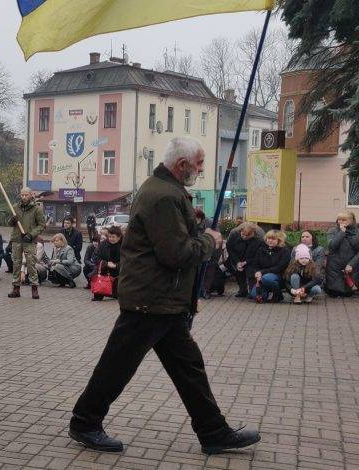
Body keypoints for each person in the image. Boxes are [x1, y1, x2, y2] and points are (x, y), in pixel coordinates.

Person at [69, 138, 259, 455]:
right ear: (181, 164)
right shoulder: (163, 196)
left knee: (188, 369)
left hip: (161, 301)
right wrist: (210, 241)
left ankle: (213, 431)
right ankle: (85, 422)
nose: (201, 168)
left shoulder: (165, 190)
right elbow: (176, 254)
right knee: (117, 365)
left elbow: (171, 236)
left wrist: (192, 222)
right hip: (151, 300)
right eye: (198, 163)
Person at [8, 188, 46, 299]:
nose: (24, 197)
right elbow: (9, 222)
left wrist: (31, 235)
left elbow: (42, 225)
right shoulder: (15, 207)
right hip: (17, 239)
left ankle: (34, 288)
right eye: (22, 195)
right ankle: (16, 288)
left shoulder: (36, 209)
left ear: (30, 195)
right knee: (16, 264)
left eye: (26, 195)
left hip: (29, 240)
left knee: (31, 264)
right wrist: (12, 220)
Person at [249, 230, 291, 303]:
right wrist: (257, 273)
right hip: (262, 277)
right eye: (269, 238)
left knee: (266, 278)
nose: (270, 240)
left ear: (279, 240)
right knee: (254, 295)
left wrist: (262, 272)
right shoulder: (261, 249)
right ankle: (265, 294)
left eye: (273, 239)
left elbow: (279, 267)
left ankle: (278, 295)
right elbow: (254, 264)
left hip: (278, 276)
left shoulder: (285, 251)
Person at [323, 212, 359, 298]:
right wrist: (342, 232)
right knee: (333, 292)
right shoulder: (332, 231)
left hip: (350, 266)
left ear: (352, 220)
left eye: (344, 219)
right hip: (334, 266)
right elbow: (331, 246)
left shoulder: (357, 233)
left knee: (348, 293)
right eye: (339, 219)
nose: (341, 222)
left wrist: (351, 264)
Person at [225, 222, 263, 298]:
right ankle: (242, 289)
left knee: (251, 270)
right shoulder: (234, 234)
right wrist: (237, 262)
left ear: (253, 233)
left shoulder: (260, 237)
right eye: (243, 234)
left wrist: (246, 262)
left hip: (251, 260)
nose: (244, 237)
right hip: (237, 257)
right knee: (236, 269)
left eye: (247, 236)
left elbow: (258, 255)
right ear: (240, 231)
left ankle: (253, 289)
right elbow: (230, 248)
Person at [92, 226, 123, 301]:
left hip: (118, 272)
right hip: (104, 270)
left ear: (119, 237)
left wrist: (116, 266)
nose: (111, 239)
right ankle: (99, 294)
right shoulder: (103, 244)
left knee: (117, 294)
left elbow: (128, 261)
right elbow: (95, 257)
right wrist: (106, 264)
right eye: (109, 237)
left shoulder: (124, 246)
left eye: (113, 237)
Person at [202, 234, 229, 298]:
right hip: (208, 260)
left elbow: (223, 260)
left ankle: (206, 290)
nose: (218, 243)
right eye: (217, 242)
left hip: (217, 266)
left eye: (219, 242)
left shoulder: (221, 249)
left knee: (210, 274)